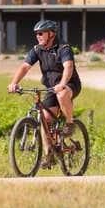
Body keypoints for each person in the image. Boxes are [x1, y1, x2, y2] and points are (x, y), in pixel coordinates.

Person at [8, 19, 81, 168]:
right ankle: (49, 155)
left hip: (69, 84)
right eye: (36, 34)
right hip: (50, 88)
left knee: (62, 94)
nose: (38, 36)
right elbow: (25, 67)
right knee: (45, 118)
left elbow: (68, 67)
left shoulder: (64, 48)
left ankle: (69, 123)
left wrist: (62, 84)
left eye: (41, 33)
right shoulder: (37, 49)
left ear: (51, 34)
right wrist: (14, 83)